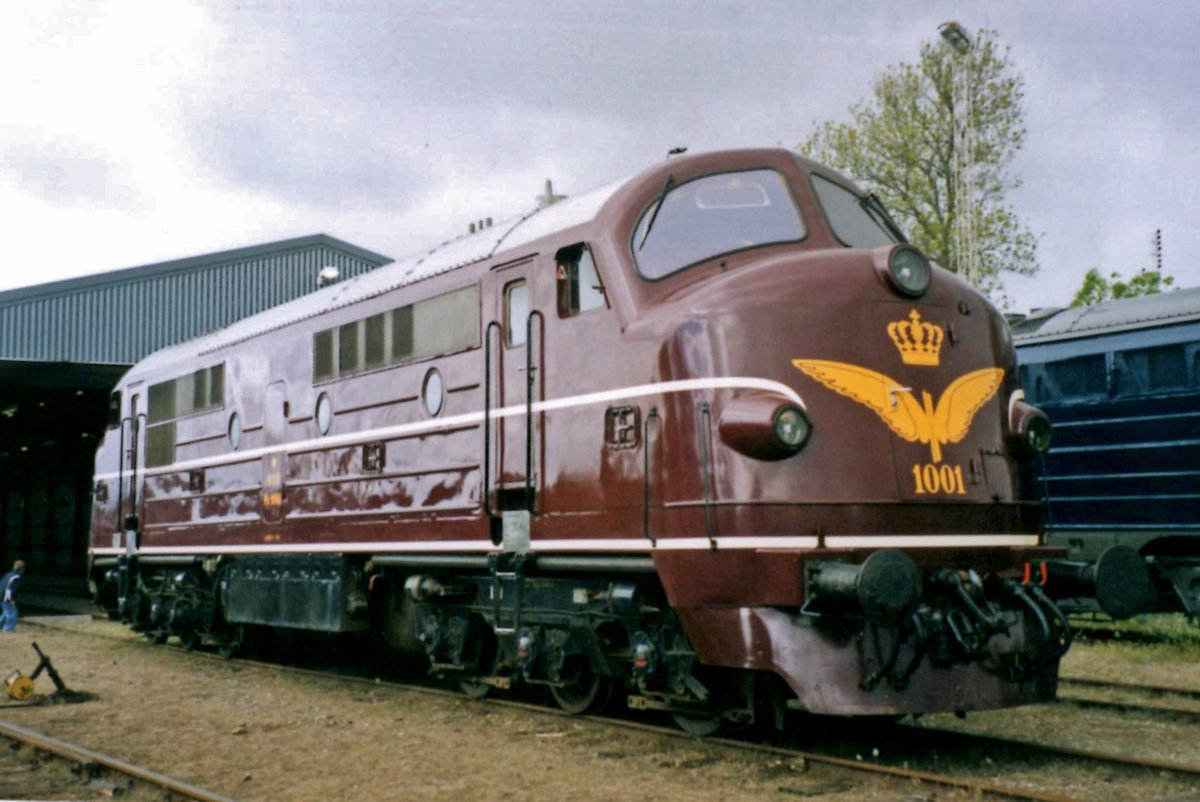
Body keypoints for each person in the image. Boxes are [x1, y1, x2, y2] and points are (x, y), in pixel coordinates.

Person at [1, 560, 25, 632]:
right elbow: (10, 588)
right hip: (5, 596)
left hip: (0, 594)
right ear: (22, 569)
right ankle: (8, 629)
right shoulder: (17, 577)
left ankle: (1, 624)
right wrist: (11, 599)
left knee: (6, 611)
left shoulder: (7, 574)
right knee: (12, 612)